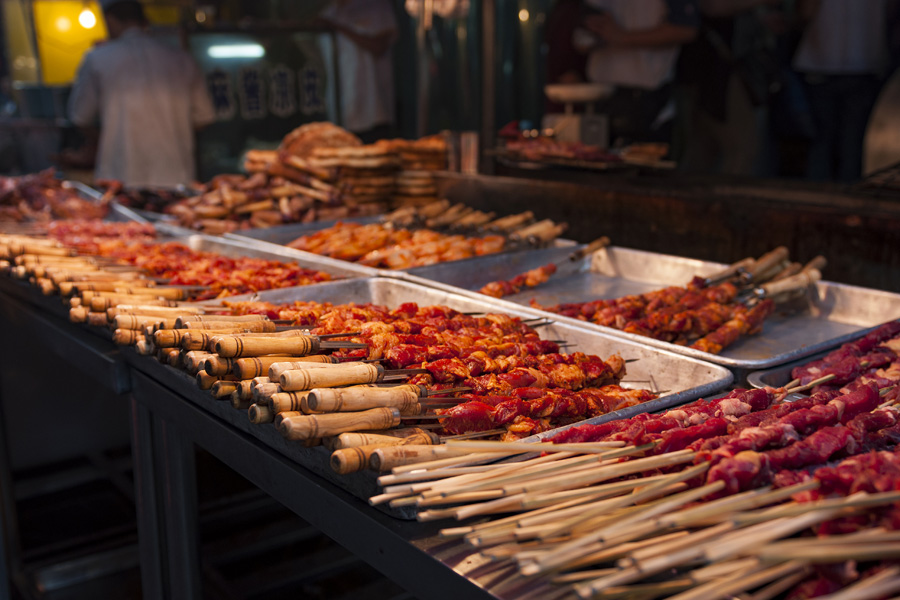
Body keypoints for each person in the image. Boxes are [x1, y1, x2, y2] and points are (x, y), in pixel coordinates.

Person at [67, 0, 215, 187]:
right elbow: (204, 117)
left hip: (120, 177)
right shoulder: (182, 59)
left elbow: (80, 117)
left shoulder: (97, 59)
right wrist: (168, 131)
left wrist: (110, 138)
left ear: (110, 20)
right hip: (176, 175)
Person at [677, 0, 787, 176]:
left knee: (704, 148)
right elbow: (710, 6)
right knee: (742, 148)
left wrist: (760, 17)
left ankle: (687, 200)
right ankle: (724, 201)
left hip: (723, 67)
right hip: (713, 70)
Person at [576, 0, 700, 146]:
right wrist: (588, 36)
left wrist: (622, 36)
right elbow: (584, 31)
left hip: (646, 96)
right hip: (599, 93)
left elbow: (685, 28)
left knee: (642, 164)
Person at [793, 0, 891, 182]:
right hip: (856, 61)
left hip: (828, 62)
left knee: (826, 143)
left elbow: (805, 12)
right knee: (850, 144)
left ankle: (825, 202)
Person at [318, 0, 398, 143]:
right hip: (340, 113)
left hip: (373, 111)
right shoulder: (329, 12)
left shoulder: (376, 6)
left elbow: (379, 45)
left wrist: (337, 27)